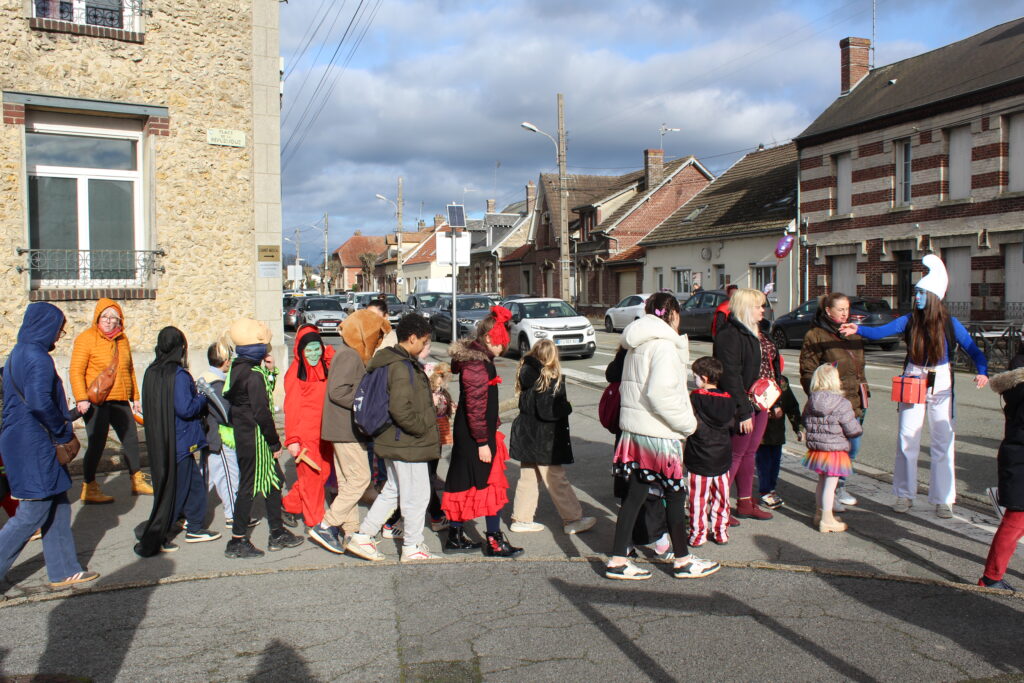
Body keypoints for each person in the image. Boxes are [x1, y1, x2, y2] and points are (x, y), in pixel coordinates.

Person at [840, 254, 988, 517]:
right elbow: (881, 331)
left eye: (920, 293)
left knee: (943, 441)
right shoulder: (910, 320)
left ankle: (943, 499)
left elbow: (974, 350)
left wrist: (983, 372)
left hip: (941, 379)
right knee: (907, 439)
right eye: (916, 292)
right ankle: (904, 494)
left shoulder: (950, 323)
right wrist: (858, 329)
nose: (916, 297)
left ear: (932, 296)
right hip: (913, 377)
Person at [607, 292, 719, 581]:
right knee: (675, 494)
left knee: (634, 496)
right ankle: (682, 560)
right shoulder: (664, 346)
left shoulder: (637, 343)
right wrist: (688, 425)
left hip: (636, 430)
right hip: (658, 432)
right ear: (674, 314)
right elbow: (661, 394)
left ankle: (618, 559)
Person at [0, 302, 98, 589]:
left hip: (24, 441)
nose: (58, 336)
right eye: (58, 329)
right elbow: (40, 402)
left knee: (57, 504)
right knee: (33, 511)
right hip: (34, 444)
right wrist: (62, 433)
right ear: (45, 327)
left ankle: (64, 570)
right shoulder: (38, 358)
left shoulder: (18, 353)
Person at [346, 313, 441, 562]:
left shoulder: (392, 361)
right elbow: (400, 409)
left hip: (394, 439)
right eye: (424, 340)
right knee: (417, 495)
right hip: (406, 441)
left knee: (393, 490)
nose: (426, 345)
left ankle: (363, 537)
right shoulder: (401, 366)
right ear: (413, 338)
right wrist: (422, 428)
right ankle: (412, 545)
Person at [441, 307, 522, 558]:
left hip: (472, 432)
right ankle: (494, 541)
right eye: (501, 341)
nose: (503, 347)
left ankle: (455, 536)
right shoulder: (477, 363)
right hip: (475, 435)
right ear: (488, 337)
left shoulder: (476, 359)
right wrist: (483, 442)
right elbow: (476, 406)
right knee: (488, 483)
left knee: (464, 481)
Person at [135, 327, 220, 557]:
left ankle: (194, 527)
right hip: (180, 440)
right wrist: (202, 398)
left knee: (190, 486)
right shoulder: (179, 375)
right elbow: (186, 408)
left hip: (162, 440)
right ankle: (156, 535)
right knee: (177, 492)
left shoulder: (152, 372)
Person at [223, 319, 303, 558]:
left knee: (273, 482)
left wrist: (269, 370)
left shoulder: (239, 367)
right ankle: (237, 540)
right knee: (248, 487)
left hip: (246, 436)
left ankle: (277, 532)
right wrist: (274, 442)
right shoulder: (253, 374)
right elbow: (262, 411)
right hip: (255, 438)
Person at [309, 313, 387, 554]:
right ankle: (326, 525)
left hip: (343, 428)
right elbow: (338, 391)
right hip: (345, 428)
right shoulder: (349, 355)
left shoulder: (349, 353)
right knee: (361, 479)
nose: (379, 340)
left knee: (347, 482)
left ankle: (350, 531)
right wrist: (367, 401)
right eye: (377, 335)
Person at [509, 339, 596, 536]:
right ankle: (573, 519)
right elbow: (549, 410)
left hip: (527, 436)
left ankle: (521, 518)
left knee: (529, 478)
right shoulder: (547, 378)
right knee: (556, 478)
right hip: (544, 439)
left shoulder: (526, 372)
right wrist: (566, 406)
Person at [69, 298, 152, 503]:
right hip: (96, 401)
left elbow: (129, 369)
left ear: (119, 320)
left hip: (120, 398)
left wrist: (135, 397)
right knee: (97, 443)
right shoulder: (86, 339)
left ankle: (136, 480)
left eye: (113, 318)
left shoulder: (122, 340)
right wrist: (81, 398)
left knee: (131, 440)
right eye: (104, 316)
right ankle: (89, 487)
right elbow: (76, 371)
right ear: (97, 318)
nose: (108, 321)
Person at [714, 288, 781, 522]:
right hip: (742, 403)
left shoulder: (758, 331)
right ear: (745, 308)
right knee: (735, 454)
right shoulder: (730, 334)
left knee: (750, 453)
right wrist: (743, 411)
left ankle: (744, 502)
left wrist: (774, 400)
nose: (763, 310)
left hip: (761, 400)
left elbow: (771, 366)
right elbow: (730, 376)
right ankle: (718, 508)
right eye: (758, 306)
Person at [800, 292, 867, 510]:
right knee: (834, 451)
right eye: (841, 309)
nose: (845, 313)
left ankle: (839, 486)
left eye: (847, 309)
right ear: (828, 311)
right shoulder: (816, 335)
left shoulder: (853, 334)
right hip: (832, 405)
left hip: (854, 401)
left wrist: (864, 393)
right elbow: (808, 371)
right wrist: (819, 400)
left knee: (852, 449)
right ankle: (831, 493)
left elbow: (859, 368)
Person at [606, 345, 670, 558]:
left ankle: (626, 545)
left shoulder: (627, 351)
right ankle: (659, 540)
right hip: (647, 430)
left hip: (626, 429)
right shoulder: (656, 349)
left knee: (631, 493)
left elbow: (611, 373)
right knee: (651, 490)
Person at [978, 349, 1024, 591]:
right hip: (1020, 460)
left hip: (1015, 456)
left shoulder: (1016, 384)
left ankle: (991, 577)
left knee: (1015, 522)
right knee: (1015, 522)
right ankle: (990, 578)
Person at [282, 325, 335, 531]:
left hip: (324, 434)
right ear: (300, 350)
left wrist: (326, 351)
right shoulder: (294, 374)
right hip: (305, 437)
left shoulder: (323, 365)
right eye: (309, 350)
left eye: (317, 348)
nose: (313, 354)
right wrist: (293, 439)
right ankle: (315, 523)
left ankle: (289, 505)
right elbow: (292, 408)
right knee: (311, 480)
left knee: (323, 474)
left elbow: (333, 360)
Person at [801, 364, 863, 533]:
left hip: (818, 450)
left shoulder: (812, 401)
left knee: (821, 482)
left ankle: (819, 513)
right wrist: (857, 430)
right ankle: (827, 519)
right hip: (835, 449)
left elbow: (805, 420)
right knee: (830, 485)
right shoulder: (841, 403)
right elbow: (852, 429)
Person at [684, 356, 735, 547]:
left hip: (699, 455)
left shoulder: (695, 397)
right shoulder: (729, 400)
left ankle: (698, 535)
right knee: (721, 497)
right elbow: (732, 425)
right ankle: (721, 532)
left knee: (698, 499)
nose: (694, 379)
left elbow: (689, 423)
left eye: (695, 376)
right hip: (722, 456)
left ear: (704, 378)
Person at [198, 340, 247, 529]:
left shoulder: (204, 377)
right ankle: (234, 515)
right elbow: (225, 413)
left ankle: (187, 513)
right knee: (229, 476)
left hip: (209, 435)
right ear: (225, 361)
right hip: (220, 437)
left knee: (206, 479)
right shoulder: (215, 383)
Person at [755, 375, 804, 510]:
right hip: (761, 432)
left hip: (777, 431)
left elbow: (791, 406)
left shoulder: (781, 381)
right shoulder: (755, 378)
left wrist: (798, 428)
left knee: (775, 462)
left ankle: (771, 489)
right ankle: (765, 491)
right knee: (764, 463)